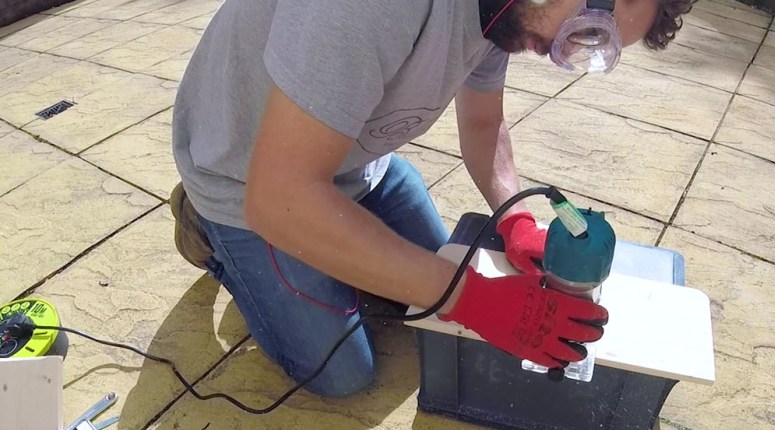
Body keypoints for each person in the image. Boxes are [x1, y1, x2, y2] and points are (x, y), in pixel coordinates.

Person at [170, 0, 697, 398]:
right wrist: (469, 298)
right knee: (342, 375)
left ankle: (331, 228)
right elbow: (279, 194)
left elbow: (483, 122)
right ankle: (209, 233)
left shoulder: (509, 13)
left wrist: (517, 220)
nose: (564, 53)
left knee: (432, 290)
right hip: (246, 183)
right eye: (584, 33)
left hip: (355, 166)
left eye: (590, 49)